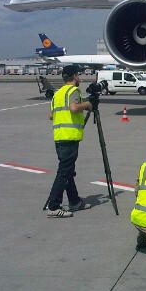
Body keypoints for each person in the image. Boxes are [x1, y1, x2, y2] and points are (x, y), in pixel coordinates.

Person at [45, 65, 94, 218]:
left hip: (59, 137)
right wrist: (88, 104)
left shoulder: (58, 94)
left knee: (67, 171)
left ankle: (75, 202)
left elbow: (51, 116)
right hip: (69, 136)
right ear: (74, 76)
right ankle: (53, 205)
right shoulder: (73, 91)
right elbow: (73, 108)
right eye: (78, 75)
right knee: (64, 172)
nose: (79, 77)